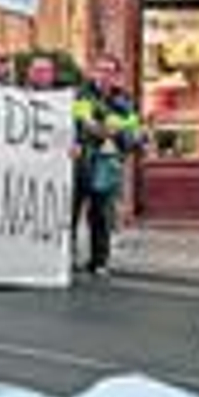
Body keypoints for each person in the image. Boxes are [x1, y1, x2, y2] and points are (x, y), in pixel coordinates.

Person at [72, 53, 143, 276]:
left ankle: (99, 261)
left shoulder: (124, 99)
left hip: (106, 164)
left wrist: (121, 135)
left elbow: (132, 132)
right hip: (79, 162)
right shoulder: (80, 95)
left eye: (110, 71)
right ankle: (65, 258)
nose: (105, 75)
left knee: (101, 214)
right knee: (70, 214)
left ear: (117, 76)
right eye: (100, 70)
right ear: (92, 72)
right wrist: (106, 128)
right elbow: (82, 123)